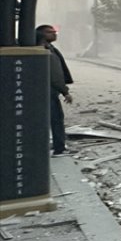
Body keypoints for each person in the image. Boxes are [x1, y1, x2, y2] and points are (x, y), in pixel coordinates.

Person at [36, 24, 73, 156]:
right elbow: (55, 74)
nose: (54, 34)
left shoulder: (45, 48)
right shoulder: (47, 50)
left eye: (55, 32)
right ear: (42, 35)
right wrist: (65, 91)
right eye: (50, 32)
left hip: (41, 91)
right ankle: (59, 148)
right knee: (56, 119)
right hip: (49, 92)